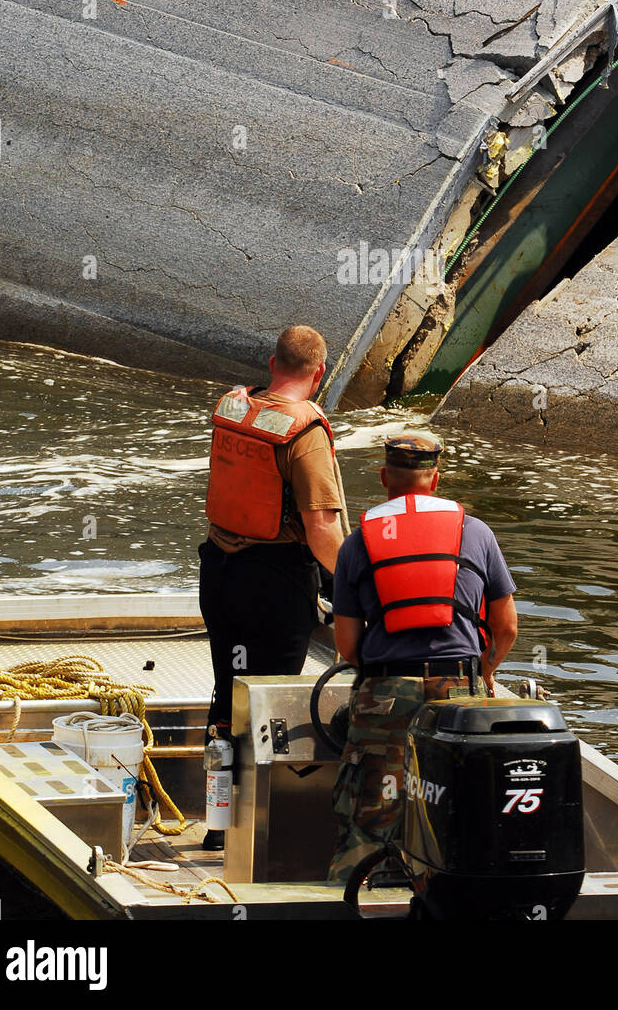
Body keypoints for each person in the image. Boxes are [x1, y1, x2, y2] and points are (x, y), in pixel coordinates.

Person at [327, 432, 518, 884]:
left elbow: (348, 645)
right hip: (460, 697)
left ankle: (359, 894)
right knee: (459, 804)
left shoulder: (358, 542)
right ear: (435, 480)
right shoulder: (477, 532)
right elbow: (506, 628)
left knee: (369, 810)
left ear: (383, 478)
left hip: (385, 695)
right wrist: (483, 673)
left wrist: (380, 679)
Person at [199, 325, 344, 846]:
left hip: (218, 572)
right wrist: (353, 581)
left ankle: (219, 827)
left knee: (228, 693)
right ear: (319, 373)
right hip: (275, 583)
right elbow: (322, 526)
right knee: (267, 703)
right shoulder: (303, 431)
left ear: (270, 362)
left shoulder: (232, 407)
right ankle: (256, 835)